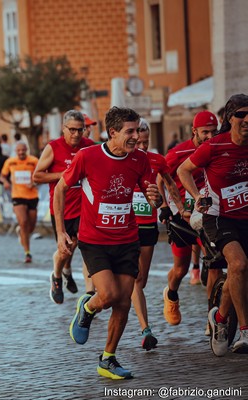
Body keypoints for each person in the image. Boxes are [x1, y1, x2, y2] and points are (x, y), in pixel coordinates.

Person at [55, 107, 162, 379]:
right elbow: (60, 189)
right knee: (109, 295)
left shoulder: (139, 159)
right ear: (112, 132)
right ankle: (88, 306)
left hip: (127, 238)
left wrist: (155, 198)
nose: (137, 137)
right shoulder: (87, 156)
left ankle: (108, 358)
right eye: (130, 131)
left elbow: (151, 196)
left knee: (124, 301)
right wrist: (60, 233)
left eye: (137, 130)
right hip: (95, 241)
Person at [179, 94, 248, 356]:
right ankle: (245, 331)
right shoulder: (214, 146)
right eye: (241, 114)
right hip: (219, 216)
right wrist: (197, 197)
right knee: (239, 264)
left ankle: (219, 319)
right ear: (229, 118)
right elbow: (183, 170)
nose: (246, 119)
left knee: (238, 273)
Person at [131, 119, 185, 350]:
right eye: (137, 142)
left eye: (146, 142)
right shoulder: (122, 160)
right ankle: (146, 329)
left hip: (146, 227)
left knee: (140, 280)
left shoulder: (156, 160)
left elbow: (171, 185)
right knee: (132, 279)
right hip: (123, 228)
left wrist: (180, 210)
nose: (142, 146)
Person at [160, 110, 217, 326]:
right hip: (182, 217)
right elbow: (160, 177)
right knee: (180, 269)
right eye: (205, 132)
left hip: (208, 215)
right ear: (194, 131)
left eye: (213, 131)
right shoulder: (177, 153)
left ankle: (213, 318)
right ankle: (171, 294)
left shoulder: (217, 148)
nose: (210, 136)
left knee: (214, 265)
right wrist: (165, 207)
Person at [33, 110, 96, 303]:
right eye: (72, 130)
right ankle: (58, 274)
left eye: (80, 130)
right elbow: (37, 176)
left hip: (85, 207)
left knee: (87, 247)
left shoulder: (90, 147)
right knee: (66, 249)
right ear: (63, 128)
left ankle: (89, 293)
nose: (76, 134)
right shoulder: (54, 147)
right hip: (62, 208)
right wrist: (65, 175)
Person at [0, 142, 39, 263]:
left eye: (23, 150)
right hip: (17, 195)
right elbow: (2, 176)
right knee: (23, 221)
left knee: (31, 227)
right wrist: (5, 182)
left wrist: (34, 182)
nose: (21, 152)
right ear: (16, 151)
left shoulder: (33, 160)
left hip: (32, 195)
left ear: (26, 150)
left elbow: (40, 175)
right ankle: (28, 253)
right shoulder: (10, 161)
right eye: (19, 150)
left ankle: (21, 232)